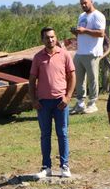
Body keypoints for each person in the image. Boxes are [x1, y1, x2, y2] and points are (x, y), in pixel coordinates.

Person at [29, 27, 76, 178]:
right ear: (42, 40)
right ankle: (46, 167)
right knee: (45, 135)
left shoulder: (64, 54)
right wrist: (34, 99)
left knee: (62, 133)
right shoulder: (38, 57)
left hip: (60, 102)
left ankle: (64, 166)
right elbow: (31, 80)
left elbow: (72, 77)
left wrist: (68, 97)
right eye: (47, 38)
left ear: (56, 38)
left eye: (52, 37)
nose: (50, 40)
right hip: (43, 103)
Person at [70, 0, 106, 114]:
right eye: (82, 4)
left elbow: (101, 33)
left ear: (91, 1)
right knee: (79, 79)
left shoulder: (98, 16)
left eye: (85, 3)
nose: (83, 5)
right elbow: (82, 32)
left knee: (93, 79)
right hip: (80, 52)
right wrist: (76, 32)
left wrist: (84, 31)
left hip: (92, 52)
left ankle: (92, 103)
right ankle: (80, 103)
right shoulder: (81, 16)